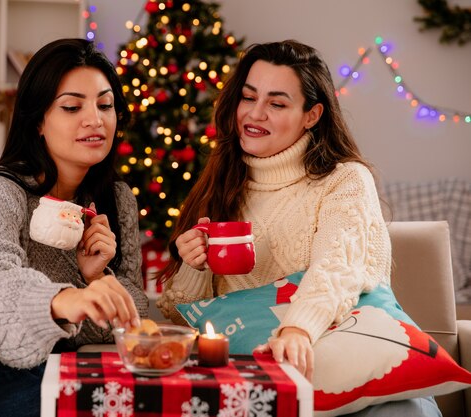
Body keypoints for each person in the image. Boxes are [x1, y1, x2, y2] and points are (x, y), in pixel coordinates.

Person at [155, 40, 441, 416]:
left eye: (276, 103)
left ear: (312, 114)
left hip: (367, 382)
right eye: (248, 97)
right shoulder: (220, 186)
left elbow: (336, 268)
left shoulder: (345, 180)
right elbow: (185, 316)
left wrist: (298, 329)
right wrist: (195, 266)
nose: (255, 114)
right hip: (269, 384)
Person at [0, 38, 148, 417]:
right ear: (39, 121)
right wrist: (65, 299)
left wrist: (93, 279)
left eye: (105, 105)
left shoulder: (116, 199)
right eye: (72, 106)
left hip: (56, 361)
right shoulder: (0, 191)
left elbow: (133, 311)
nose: (95, 119)